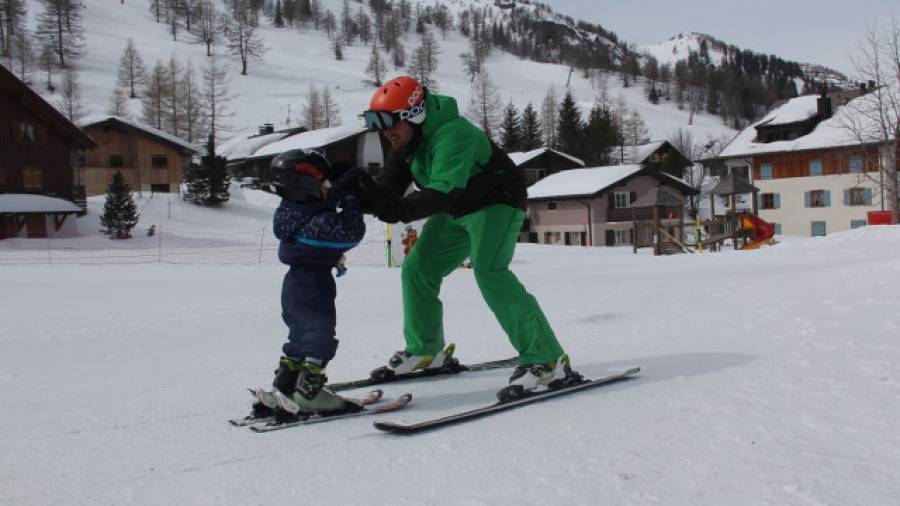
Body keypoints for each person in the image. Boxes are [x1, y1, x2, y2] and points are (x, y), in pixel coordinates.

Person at [343, 75, 581, 401]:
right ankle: (426, 350)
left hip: (495, 203)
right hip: (456, 208)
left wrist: (396, 208)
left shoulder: (453, 133)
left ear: (414, 115)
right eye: (378, 126)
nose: (386, 133)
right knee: (418, 268)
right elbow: (387, 191)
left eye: (390, 124)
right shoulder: (405, 143)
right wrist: (355, 197)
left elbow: (441, 191)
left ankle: (547, 360)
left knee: (489, 270)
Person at [252, 148, 365, 419]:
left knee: (300, 335)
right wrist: (351, 197)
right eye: (323, 184)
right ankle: (309, 392)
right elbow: (351, 233)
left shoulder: (292, 212)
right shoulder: (318, 225)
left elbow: (320, 207)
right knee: (319, 333)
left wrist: (335, 188)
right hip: (314, 285)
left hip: (293, 285)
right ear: (308, 184)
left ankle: (286, 383)